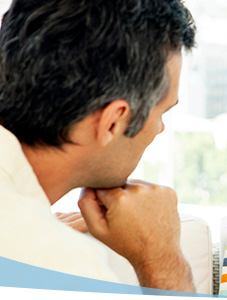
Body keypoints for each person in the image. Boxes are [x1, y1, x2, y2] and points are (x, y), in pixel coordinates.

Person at [0, 0, 196, 293]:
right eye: (161, 113)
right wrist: (161, 260)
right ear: (112, 122)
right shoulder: (65, 269)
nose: (160, 129)